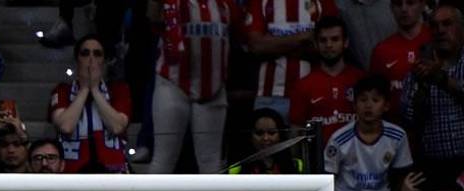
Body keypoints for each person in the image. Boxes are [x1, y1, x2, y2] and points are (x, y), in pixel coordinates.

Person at [149, 0, 243, 174]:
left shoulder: (226, 3)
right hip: (172, 83)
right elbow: (153, 18)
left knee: (211, 162)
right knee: (164, 158)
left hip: (213, 88)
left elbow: (241, 31)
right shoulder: (172, 2)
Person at [49, 35, 131, 174]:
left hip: (113, 173)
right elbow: (65, 126)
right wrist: (85, 89)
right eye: (85, 53)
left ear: (104, 61)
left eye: (97, 54)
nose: (91, 59)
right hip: (72, 174)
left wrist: (95, 90)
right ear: (77, 60)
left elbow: (117, 126)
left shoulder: (118, 90)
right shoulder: (62, 90)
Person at [401, 4, 464, 178]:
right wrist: (422, 86)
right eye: (434, 26)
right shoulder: (421, 68)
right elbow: (408, 117)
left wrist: (441, 78)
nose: (440, 30)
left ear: (460, 28)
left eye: (447, 24)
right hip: (433, 166)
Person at [287, 16, 365, 141]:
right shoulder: (303, 86)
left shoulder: (361, 80)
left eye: (335, 39)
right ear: (316, 44)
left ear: (346, 42)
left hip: (359, 158)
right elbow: (296, 132)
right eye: (323, 40)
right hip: (319, 158)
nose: (329, 45)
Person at [370, 0, 430, 107]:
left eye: (410, 3)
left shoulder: (436, 41)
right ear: (391, 8)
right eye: (398, 4)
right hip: (394, 122)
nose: (404, 9)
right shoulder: (381, 50)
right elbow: (374, 95)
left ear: (422, 5)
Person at [227, 108, 304, 174]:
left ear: (281, 135)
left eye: (271, 133)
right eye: (259, 133)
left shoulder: (297, 165)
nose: (266, 138)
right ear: (250, 136)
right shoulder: (236, 168)